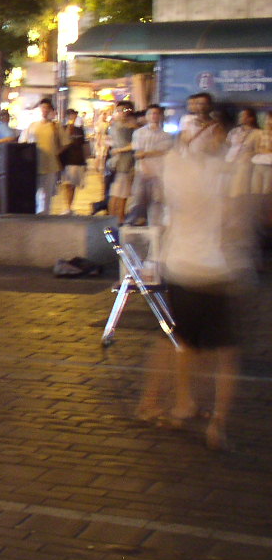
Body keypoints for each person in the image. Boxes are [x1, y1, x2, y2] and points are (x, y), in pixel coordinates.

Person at [136, 113, 252, 452]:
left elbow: (153, 170)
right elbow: (235, 219)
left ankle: (176, 404)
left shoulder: (178, 166)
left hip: (182, 268)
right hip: (213, 271)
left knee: (180, 344)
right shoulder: (221, 170)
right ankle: (213, 420)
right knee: (221, 352)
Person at [126, 104, 170, 226]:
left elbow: (164, 151)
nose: (153, 116)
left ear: (161, 116)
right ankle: (137, 221)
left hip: (158, 171)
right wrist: (145, 157)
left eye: (156, 113)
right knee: (139, 198)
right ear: (146, 116)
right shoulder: (139, 133)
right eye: (150, 113)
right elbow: (138, 152)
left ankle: (154, 224)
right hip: (142, 170)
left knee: (157, 199)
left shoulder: (166, 135)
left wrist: (146, 153)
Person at [21, 98, 67, 214]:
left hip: (50, 165)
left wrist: (55, 153)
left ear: (51, 110)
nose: (44, 110)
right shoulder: (32, 125)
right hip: (33, 164)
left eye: (47, 108)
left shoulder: (55, 126)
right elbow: (23, 142)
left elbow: (65, 143)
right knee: (31, 192)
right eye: (42, 108)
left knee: (47, 194)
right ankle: (32, 214)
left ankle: (45, 215)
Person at [106, 101, 138, 224]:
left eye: (125, 110)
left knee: (122, 192)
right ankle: (115, 218)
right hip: (121, 163)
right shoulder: (119, 127)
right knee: (117, 192)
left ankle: (119, 217)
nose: (123, 113)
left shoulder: (122, 126)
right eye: (120, 111)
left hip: (125, 163)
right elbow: (130, 145)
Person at [57, 108, 88, 215]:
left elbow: (83, 146)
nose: (72, 117)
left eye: (74, 115)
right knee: (66, 184)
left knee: (73, 185)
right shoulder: (62, 129)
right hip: (66, 160)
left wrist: (85, 161)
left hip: (77, 160)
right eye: (70, 115)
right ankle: (67, 207)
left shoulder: (79, 130)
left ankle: (70, 207)